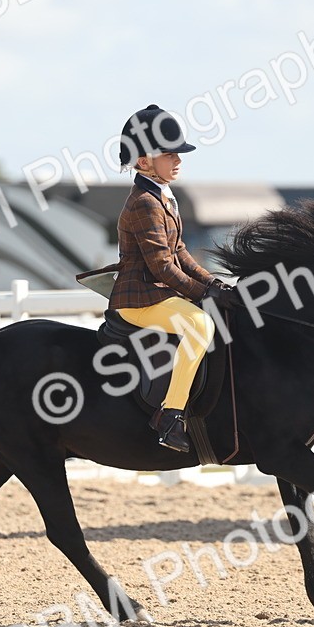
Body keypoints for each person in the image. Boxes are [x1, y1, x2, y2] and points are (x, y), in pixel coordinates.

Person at [110, 104, 238, 453]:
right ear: (143, 161)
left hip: (157, 294)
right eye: (169, 155)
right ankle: (171, 416)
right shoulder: (144, 202)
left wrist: (213, 284)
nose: (178, 160)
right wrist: (203, 294)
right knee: (198, 324)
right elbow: (162, 267)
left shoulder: (162, 195)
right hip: (139, 298)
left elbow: (180, 252)